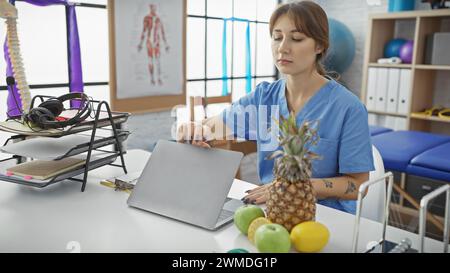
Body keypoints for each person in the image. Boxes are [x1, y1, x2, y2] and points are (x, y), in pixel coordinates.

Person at [177, 1, 374, 214]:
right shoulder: (263, 97)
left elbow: (358, 186)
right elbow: (211, 128)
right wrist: (192, 130)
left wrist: (295, 188)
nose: (282, 48)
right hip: (271, 209)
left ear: (320, 46)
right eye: (277, 37)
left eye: (296, 38)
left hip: (326, 217)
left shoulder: (348, 108)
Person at [138, 3, 170, 86]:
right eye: (152, 7)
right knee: (150, 61)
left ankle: (159, 78)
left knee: (158, 61)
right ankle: (152, 79)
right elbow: (144, 31)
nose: (154, 9)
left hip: (156, 43)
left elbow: (162, 32)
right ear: (150, 8)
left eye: (155, 7)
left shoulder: (158, 19)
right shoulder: (147, 18)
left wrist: (166, 44)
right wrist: (140, 44)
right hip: (149, 42)